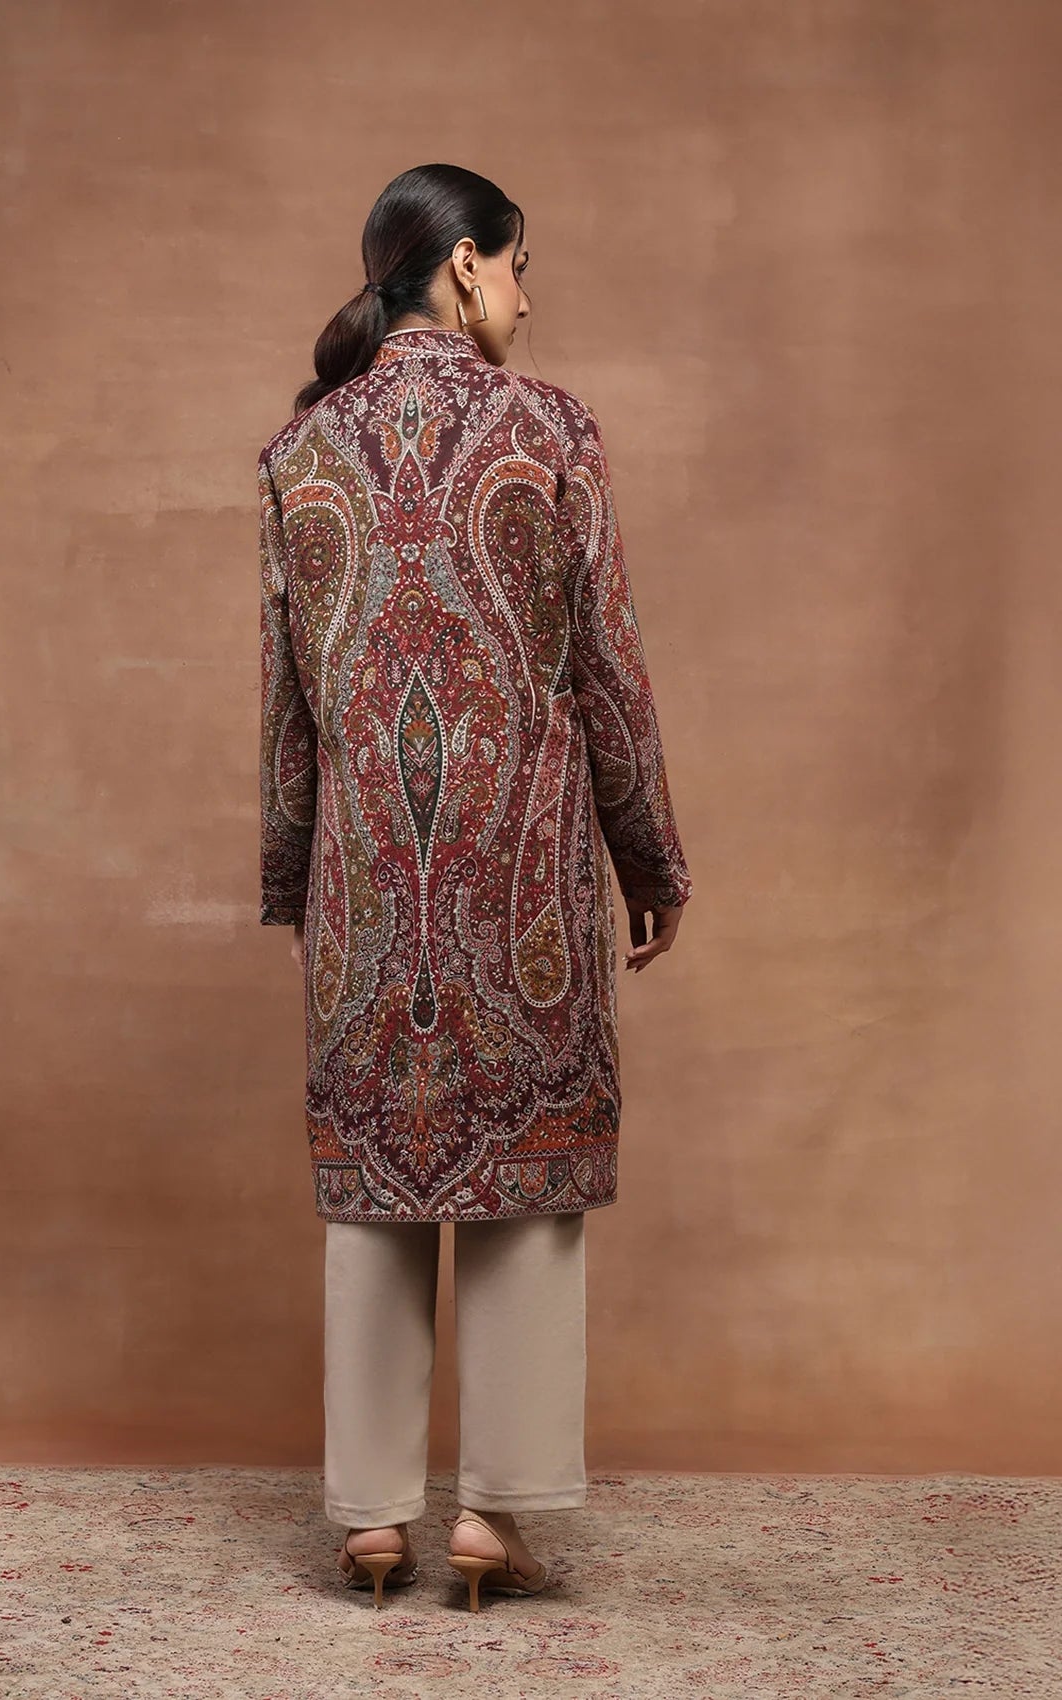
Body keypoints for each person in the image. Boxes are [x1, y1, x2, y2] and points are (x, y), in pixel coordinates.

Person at [257, 163, 693, 1610]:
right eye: (517, 266)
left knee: (376, 1182)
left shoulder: (300, 450)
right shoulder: (552, 428)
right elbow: (607, 670)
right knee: (525, 1173)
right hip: (522, 874)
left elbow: (289, 710)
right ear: (461, 267)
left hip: (370, 873)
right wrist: (651, 857)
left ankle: (372, 1519)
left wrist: (296, 879)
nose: (526, 294)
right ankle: (495, 1518)